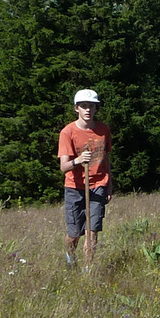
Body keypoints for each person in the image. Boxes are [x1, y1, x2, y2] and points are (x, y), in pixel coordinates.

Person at [57, 88, 113, 270]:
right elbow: (64, 166)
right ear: (76, 109)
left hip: (98, 184)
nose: (88, 110)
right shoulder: (68, 132)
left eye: (91, 106)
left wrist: (109, 186)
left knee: (92, 231)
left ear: (96, 109)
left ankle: (87, 270)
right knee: (74, 234)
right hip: (75, 187)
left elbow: (106, 159)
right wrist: (79, 160)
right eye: (83, 106)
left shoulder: (103, 130)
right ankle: (70, 255)